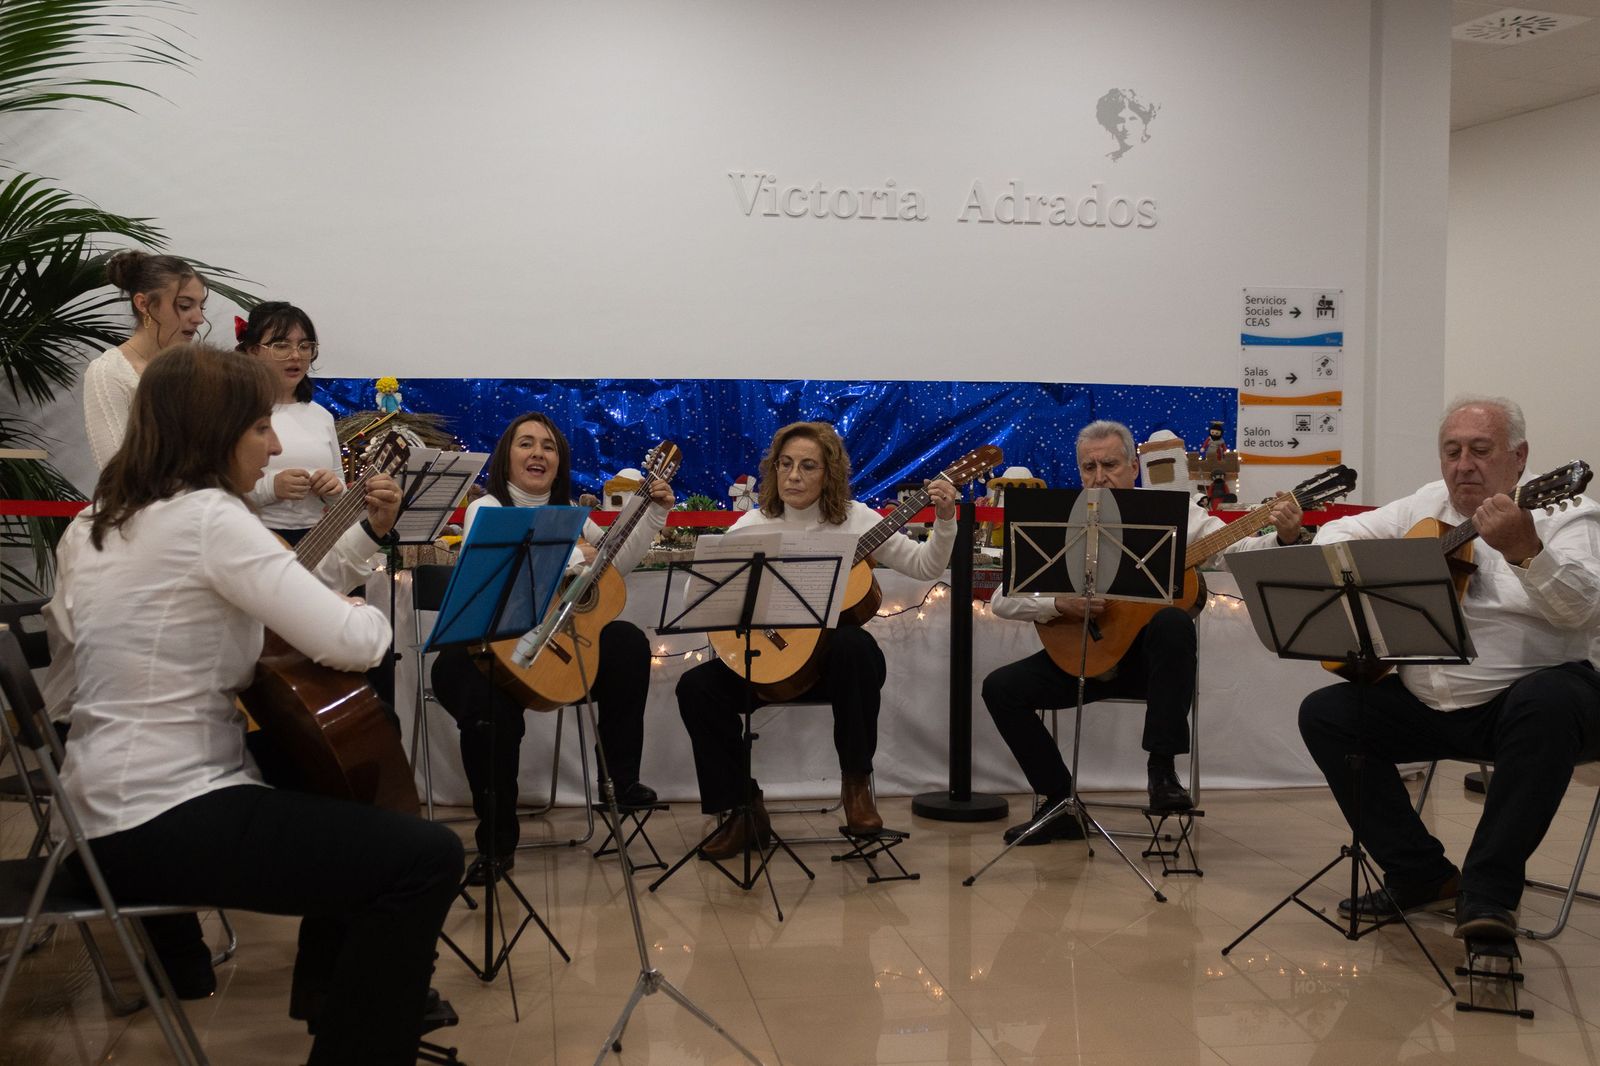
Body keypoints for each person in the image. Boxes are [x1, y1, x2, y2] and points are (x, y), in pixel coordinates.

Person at [53, 344, 463, 1064]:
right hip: (164, 815)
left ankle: (335, 995)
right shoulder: (208, 516)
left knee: (343, 777)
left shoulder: (93, 523)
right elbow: (356, 641)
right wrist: (346, 607)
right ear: (212, 434)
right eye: (258, 429)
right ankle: (354, 1036)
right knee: (425, 857)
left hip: (96, 810)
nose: (274, 447)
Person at [1298, 395, 1600, 941]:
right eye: (1452, 451)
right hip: (1428, 701)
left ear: (1519, 457)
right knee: (1328, 713)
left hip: (1528, 703)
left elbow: (1585, 609)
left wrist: (1527, 550)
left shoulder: (1564, 512)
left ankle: (1488, 895)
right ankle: (1421, 874)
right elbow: (1334, 537)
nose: (1464, 465)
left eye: (1480, 450)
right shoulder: (1426, 505)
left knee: (1549, 702)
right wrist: (1392, 568)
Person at [983, 419, 1302, 844]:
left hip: (1149, 666)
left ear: (1134, 467)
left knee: (1172, 621)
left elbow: (1234, 551)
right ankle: (1058, 803)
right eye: (1089, 468)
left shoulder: (1172, 512)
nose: (1099, 476)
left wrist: (1283, 537)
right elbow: (1002, 599)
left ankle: (1163, 772)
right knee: (1000, 688)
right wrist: (1059, 603)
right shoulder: (1063, 520)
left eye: (1110, 465)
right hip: (1084, 654)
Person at [675, 420, 959, 858]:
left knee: (855, 646)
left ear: (829, 474)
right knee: (695, 687)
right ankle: (741, 809)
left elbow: (924, 567)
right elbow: (716, 596)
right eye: (785, 465)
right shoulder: (752, 524)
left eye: (808, 466)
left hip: (835, 671)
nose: (793, 476)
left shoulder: (856, 520)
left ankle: (856, 786)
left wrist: (944, 519)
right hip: (769, 663)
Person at [429, 412, 671, 884]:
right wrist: (582, 553)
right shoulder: (488, 509)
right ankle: (497, 843)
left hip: (555, 650)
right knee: (489, 711)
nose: (538, 453)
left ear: (560, 463)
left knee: (626, 643)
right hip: (483, 656)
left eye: (549, 446)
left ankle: (619, 784)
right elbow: (547, 552)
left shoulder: (576, 518)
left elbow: (616, 563)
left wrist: (653, 513)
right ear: (506, 457)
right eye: (526, 444)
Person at [83, 250, 208, 469]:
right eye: (185, 306)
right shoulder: (109, 372)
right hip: (140, 501)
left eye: (201, 306)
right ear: (143, 304)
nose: (198, 318)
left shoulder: (199, 369)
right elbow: (116, 469)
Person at [236, 302, 344, 544]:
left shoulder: (321, 416)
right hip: (251, 541)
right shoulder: (233, 412)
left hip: (318, 541)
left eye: (305, 346)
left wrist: (333, 489)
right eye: (281, 346)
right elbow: (211, 493)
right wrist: (271, 487)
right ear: (253, 351)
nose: (295, 355)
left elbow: (341, 493)